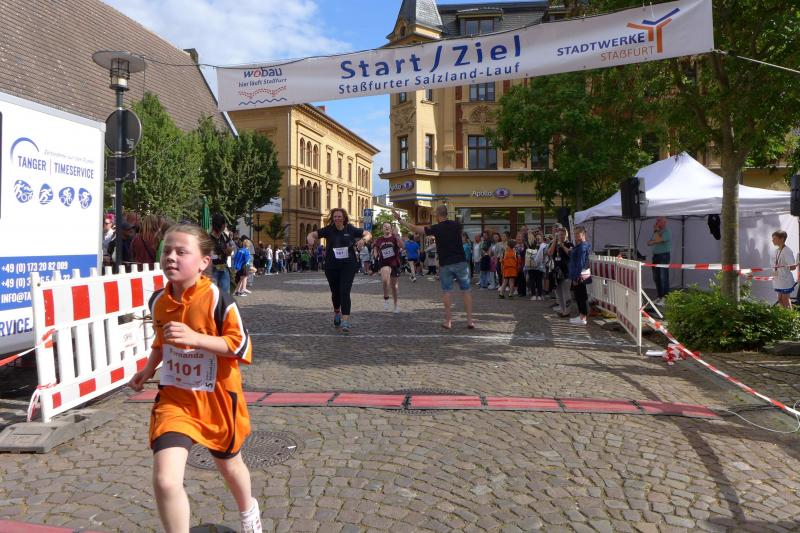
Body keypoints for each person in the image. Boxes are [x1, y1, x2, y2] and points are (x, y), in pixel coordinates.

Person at [127, 224, 261, 533]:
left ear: (203, 262)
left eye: (181, 252)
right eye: (167, 251)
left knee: (230, 465)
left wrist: (196, 338)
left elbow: (240, 346)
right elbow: (162, 341)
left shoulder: (218, 299)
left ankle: (248, 511)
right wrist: (148, 370)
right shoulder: (158, 300)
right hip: (176, 400)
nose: (171, 257)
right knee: (165, 480)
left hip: (217, 400)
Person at [394, 206, 474, 329]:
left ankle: (448, 321)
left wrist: (400, 219)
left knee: (447, 291)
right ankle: (469, 321)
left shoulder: (436, 228)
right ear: (446, 214)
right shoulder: (456, 225)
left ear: (437, 215)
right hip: (460, 262)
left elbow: (414, 228)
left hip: (445, 264)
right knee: (466, 290)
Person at [307, 208, 372, 333]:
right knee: (335, 293)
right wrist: (310, 237)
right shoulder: (328, 230)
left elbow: (368, 234)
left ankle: (345, 320)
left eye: (339, 216)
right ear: (332, 218)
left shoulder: (350, 229)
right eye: (335, 216)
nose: (337, 218)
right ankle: (337, 312)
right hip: (332, 266)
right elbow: (313, 234)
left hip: (348, 265)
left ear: (344, 218)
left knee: (345, 291)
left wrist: (363, 240)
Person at [373, 222, 404, 312]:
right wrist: (375, 256)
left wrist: (397, 236)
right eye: (385, 226)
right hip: (384, 262)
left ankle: (396, 305)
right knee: (385, 281)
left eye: (388, 226)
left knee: (394, 287)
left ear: (391, 228)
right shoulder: (379, 239)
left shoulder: (394, 238)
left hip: (394, 263)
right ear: (382, 229)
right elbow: (375, 248)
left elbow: (402, 246)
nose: (386, 227)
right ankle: (386, 298)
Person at [568, 226, 592, 325]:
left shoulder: (582, 246)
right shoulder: (580, 245)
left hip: (579, 275)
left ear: (583, 234)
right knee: (579, 295)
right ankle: (581, 316)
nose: (576, 235)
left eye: (578, 233)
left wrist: (576, 277)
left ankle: (583, 317)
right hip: (579, 274)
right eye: (575, 233)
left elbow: (580, 263)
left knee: (581, 296)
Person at [548, 227, 574, 317]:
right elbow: (549, 253)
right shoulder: (554, 243)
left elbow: (570, 254)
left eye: (563, 235)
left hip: (566, 271)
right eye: (559, 235)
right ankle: (563, 310)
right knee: (559, 292)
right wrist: (554, 241)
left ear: (566, 235)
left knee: (566, 292)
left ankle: (567, 311)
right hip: (556, 271)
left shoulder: (569, 244)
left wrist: (562, 245)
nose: (561, 236)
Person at [647, 216, 672, 304]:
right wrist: (656, 239)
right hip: (656, 256)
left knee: (663, 276)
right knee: (656, 277)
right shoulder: (657, 232)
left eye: (659, 220)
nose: (656, 222)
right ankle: (660, 296)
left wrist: (656, 234)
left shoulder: (666, 231)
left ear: (664, 222)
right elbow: (649, 242)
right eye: (656, 220)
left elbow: (658, 240)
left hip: (663, 256)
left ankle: (665, 298)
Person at [771, 230, 796, 309]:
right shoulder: (776, 251)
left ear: (782, 239)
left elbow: (793, 267)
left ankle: (790, 316)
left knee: (785, 300)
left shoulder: (787, 251)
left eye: (774, 238)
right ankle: (784, 315)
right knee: (780, 299)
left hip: (785, 281)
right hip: (778, 280)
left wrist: (786, 266)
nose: (772, 240)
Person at [209, 214, 234, 294]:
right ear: (220, 224)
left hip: (223, 268)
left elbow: (229, 248)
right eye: (224, 224)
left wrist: (229, 251)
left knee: (225, 294)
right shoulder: (209, 238)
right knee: (213, 294)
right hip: (212, 270)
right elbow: (207, 255)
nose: (225, 226)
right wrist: (217, 256)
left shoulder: (224, 236)